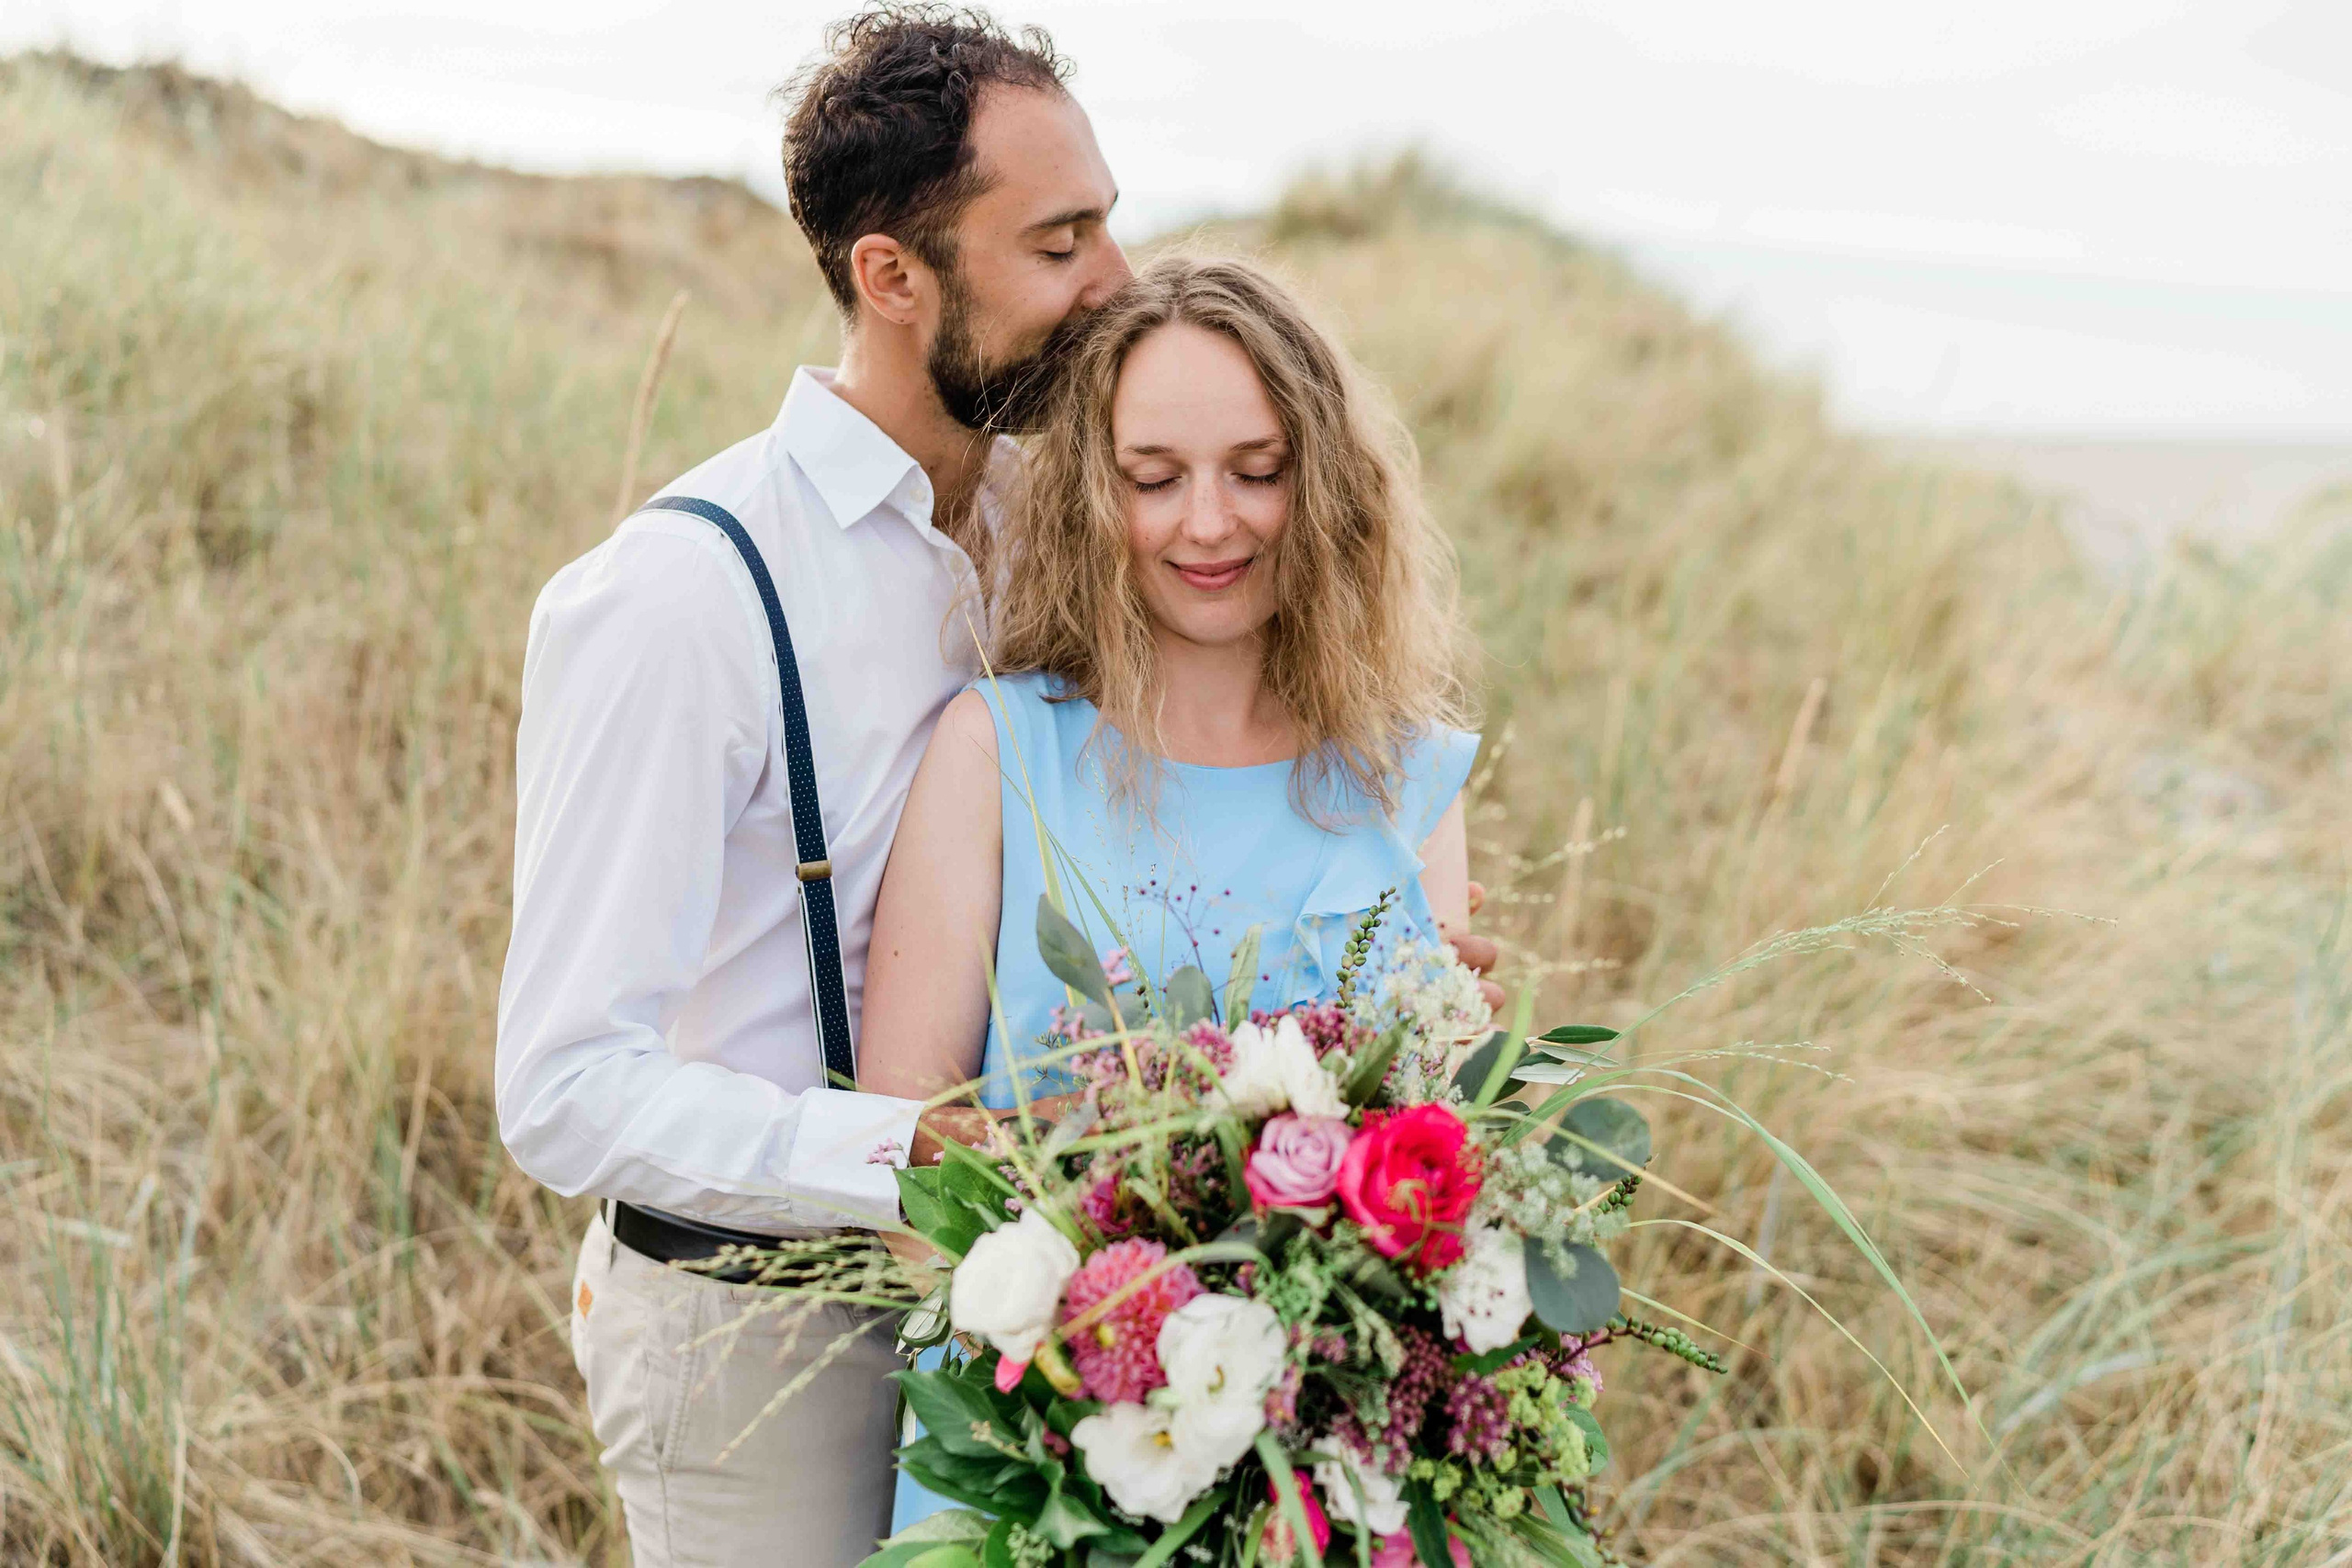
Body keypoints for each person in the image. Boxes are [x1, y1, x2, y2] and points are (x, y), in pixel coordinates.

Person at [494, 10, 1132, 1563]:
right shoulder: (679, 598)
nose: (1114, 280)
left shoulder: (1077, 521)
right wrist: (891, 1156)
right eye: (1059, 244)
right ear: (892, 277)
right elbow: (562, 1086)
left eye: (1109, 221)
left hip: (1052, 1312)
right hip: (756, 1342)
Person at [859, 253, 1481, 1533]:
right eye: (1155, 478)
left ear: (1328, 485)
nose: (1210, 523)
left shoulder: (1402, 780)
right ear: (1095, 491)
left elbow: (1446, 1161)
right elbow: (907, 1167)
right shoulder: (1000, 753)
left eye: (1258, 471)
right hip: (1040, 1484)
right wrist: (1078, 1421)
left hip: (1334, 1501)